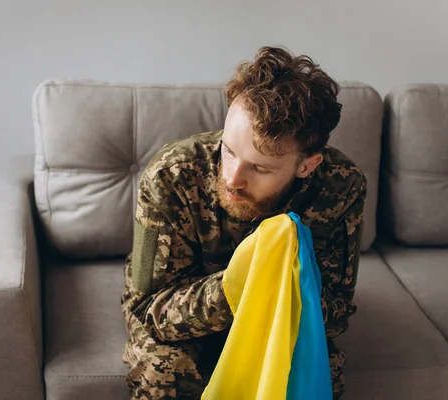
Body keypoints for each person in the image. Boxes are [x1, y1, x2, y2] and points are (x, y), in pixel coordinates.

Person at [121, 46, 366, 400]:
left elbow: (337, 312)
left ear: (307, 166)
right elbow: (150, 310)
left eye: (260, 168)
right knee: (164, 373)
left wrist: (281, 286)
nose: (233, 178)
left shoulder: (341, 186)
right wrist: (236, 287)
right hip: (186, 319)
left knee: (324, 372)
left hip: (279, 319)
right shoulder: (173, 175)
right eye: (229, 151)